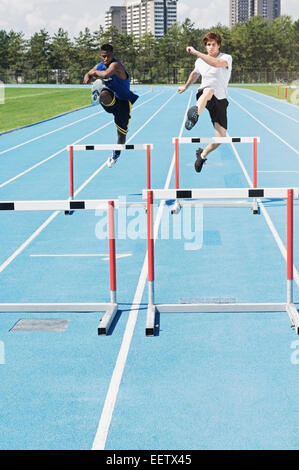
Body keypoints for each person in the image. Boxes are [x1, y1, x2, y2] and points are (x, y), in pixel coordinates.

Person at [178, 32, 232, 173]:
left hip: (221, 100)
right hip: (205, 95)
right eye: (208, 45)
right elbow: (195, 74)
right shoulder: (199, 62)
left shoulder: (226, 58)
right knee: (208, 91)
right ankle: (194, 114)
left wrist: (196, 52)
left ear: (218, 45)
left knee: (221, 138)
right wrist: (185, 86)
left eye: (213, 44)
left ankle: (202, 155)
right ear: (206, 46)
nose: (211, 47)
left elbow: (215, 63)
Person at [83, 44, 139, 167]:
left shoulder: (116, 65)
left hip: (124, 102)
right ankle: (98, 95)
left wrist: (93, 73)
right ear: (100, 56)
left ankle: (116, 154)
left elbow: (106, 75)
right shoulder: (100, 65)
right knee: (103, 94)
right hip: (112, 98)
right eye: (103, 56)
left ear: (112, 55)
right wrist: (87, 75)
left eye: (108, 56)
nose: (106, 59)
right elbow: (89, 73)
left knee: (121, 135)